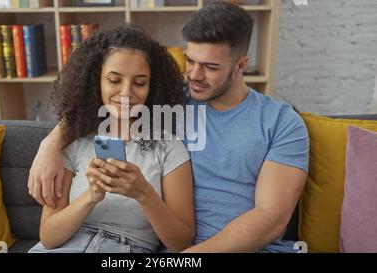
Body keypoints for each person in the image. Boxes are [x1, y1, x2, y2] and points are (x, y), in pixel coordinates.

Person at [29, 2, 309, 253]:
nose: (195, 76)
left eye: (210, 67)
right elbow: (99, 110)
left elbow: (271, 218)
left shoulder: (281, 122)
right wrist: (50, 144)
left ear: (241, 64)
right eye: (190, 61)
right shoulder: (170, 104)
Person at [28, 25, 195, 253]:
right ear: (96, 80)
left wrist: (143, 193)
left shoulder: (169, 147)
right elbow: (48, 238)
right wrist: (91, 196)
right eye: (114, 80)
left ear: (153, 86)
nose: (126, 93)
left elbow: (182, 242)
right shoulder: (73, 141)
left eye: (139, 82)